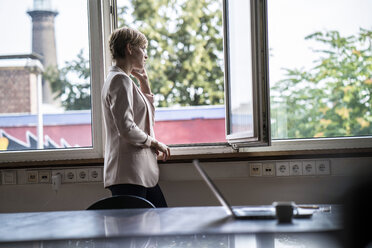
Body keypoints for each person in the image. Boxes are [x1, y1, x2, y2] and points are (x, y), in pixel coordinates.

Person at [101, 27, 170, 207]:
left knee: (158, 222)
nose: (146, 55)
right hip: (128, 174)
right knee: (146, 228)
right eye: (143, 48)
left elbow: (147, 122)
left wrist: (144, 84)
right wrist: (156, 143)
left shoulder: (122, 79)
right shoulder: (120, 80)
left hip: (137, 174)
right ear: (130, 48)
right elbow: (127, 128)